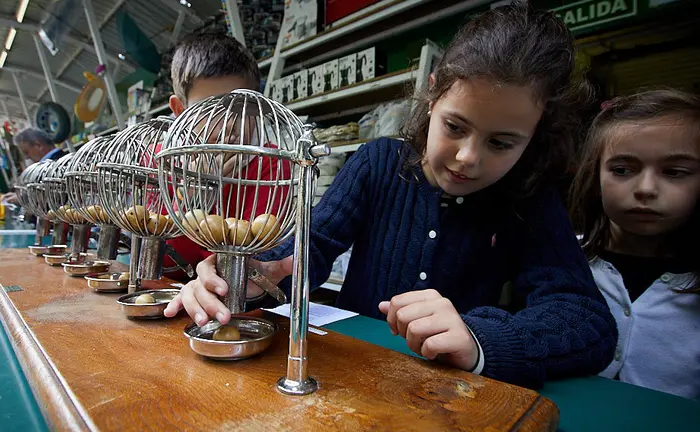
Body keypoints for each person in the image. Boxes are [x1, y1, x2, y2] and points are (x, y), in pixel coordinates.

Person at [165, 3, 618, 389]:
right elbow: (313, 243)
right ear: (433, 94)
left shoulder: (527, 195)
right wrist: (255, 272)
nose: (466, 158)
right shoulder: (378, 162)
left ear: (535, 135)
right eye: (455, 127)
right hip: (350, 377)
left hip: (447, 397)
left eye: (501, 143)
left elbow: (585, 319)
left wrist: (481, 340)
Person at [570, 89, 700, 400]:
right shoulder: (562, 259)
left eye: (674, 172)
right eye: (622, 170)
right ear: (595, 174)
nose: (645, 189)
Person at [161, 33, 288, 280]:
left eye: (241, 106)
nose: (230, 124)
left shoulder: (269, 165)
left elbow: (253, 269)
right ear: (180, 110)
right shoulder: (165, 162)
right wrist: (192, 198)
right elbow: (164, 264)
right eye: (211, 109)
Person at [1, 129, 65, 205]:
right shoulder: (59, 160)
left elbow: (56, 193)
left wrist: (24, 199)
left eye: (26, 152)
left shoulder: (55, 164)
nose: (27, 157)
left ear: (38, 146)